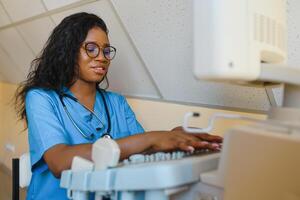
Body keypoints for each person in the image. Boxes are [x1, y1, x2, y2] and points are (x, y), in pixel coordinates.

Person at [15, 12, 222, 200]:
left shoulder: (116, 102)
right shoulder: (42, 98)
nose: (102, 58)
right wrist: (152, 137)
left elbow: (140, 152)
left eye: (106, 51)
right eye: (91, 48)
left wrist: (171, 137)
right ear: (68, 51)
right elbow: (59, 161)